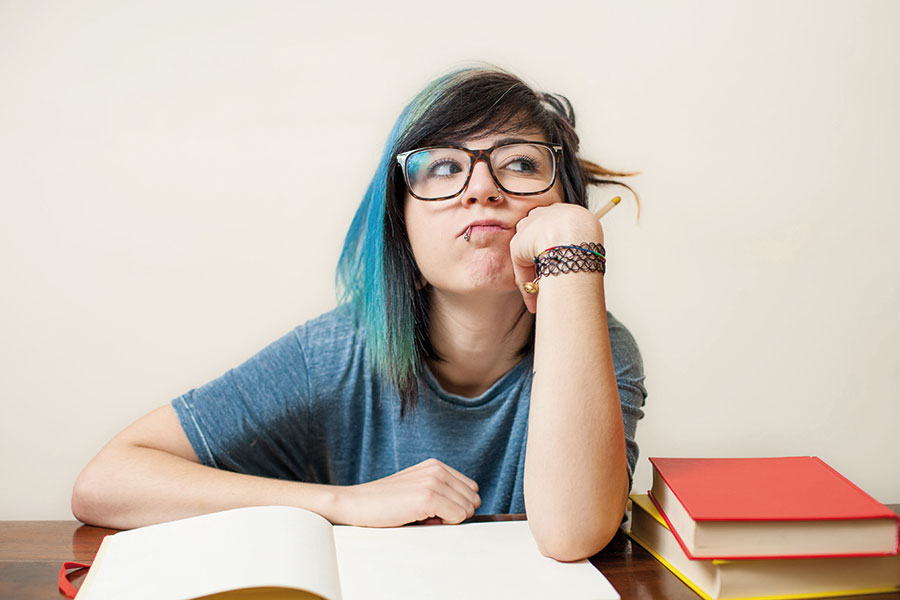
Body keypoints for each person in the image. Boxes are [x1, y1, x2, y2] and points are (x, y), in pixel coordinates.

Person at [71, 66, 647, 562]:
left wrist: (572, 251)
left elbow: (573, 534)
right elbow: (106, 482)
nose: (481, 188)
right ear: (400, 224)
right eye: (443, 167)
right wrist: (344, 503)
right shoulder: (336, 351)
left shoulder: (601, 346)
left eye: (520, 162)